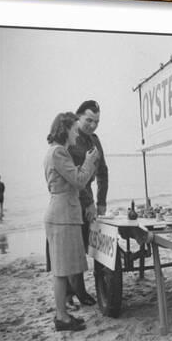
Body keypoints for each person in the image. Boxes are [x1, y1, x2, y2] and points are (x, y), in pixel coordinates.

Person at [44, 112, 99, 331]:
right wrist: (89, 161)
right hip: (62, 216)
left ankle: (63, 314)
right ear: (65, 129)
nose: (77, 133)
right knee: (61, 270)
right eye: (74, 129)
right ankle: (62, 317)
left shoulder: (56, 152)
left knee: (62, 269)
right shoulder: (58, 152)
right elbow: (78, 181)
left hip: (62, 214)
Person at [67, 100, 109, 306]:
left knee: (84, 244)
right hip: (72, 197)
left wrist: (101, 201)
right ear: (78, 117)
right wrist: (89, 203)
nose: (92, 125)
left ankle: (78, 291)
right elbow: (76, 178)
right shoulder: (71, 140)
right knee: (73, 247)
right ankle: (75, 292)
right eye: (89, 120)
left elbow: (103, 171)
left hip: (89, 194)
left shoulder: (94, 140)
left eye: (97, 122)